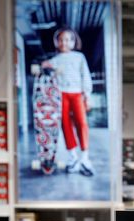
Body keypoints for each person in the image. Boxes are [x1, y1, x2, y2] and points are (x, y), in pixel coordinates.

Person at [42, 27, 94, 176]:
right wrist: (44, 65)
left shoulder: (79, 57)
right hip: (61, 95)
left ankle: (85, 158)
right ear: (56, 42)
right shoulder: (55, 60)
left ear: (73, 42)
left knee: (82, 123)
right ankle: (73, 158)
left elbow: (86, 76)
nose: (64, 42)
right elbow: (45, 67)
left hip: (77, 93)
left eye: (67, 39)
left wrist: (87, 96)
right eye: (61, 40)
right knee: (65, 125)